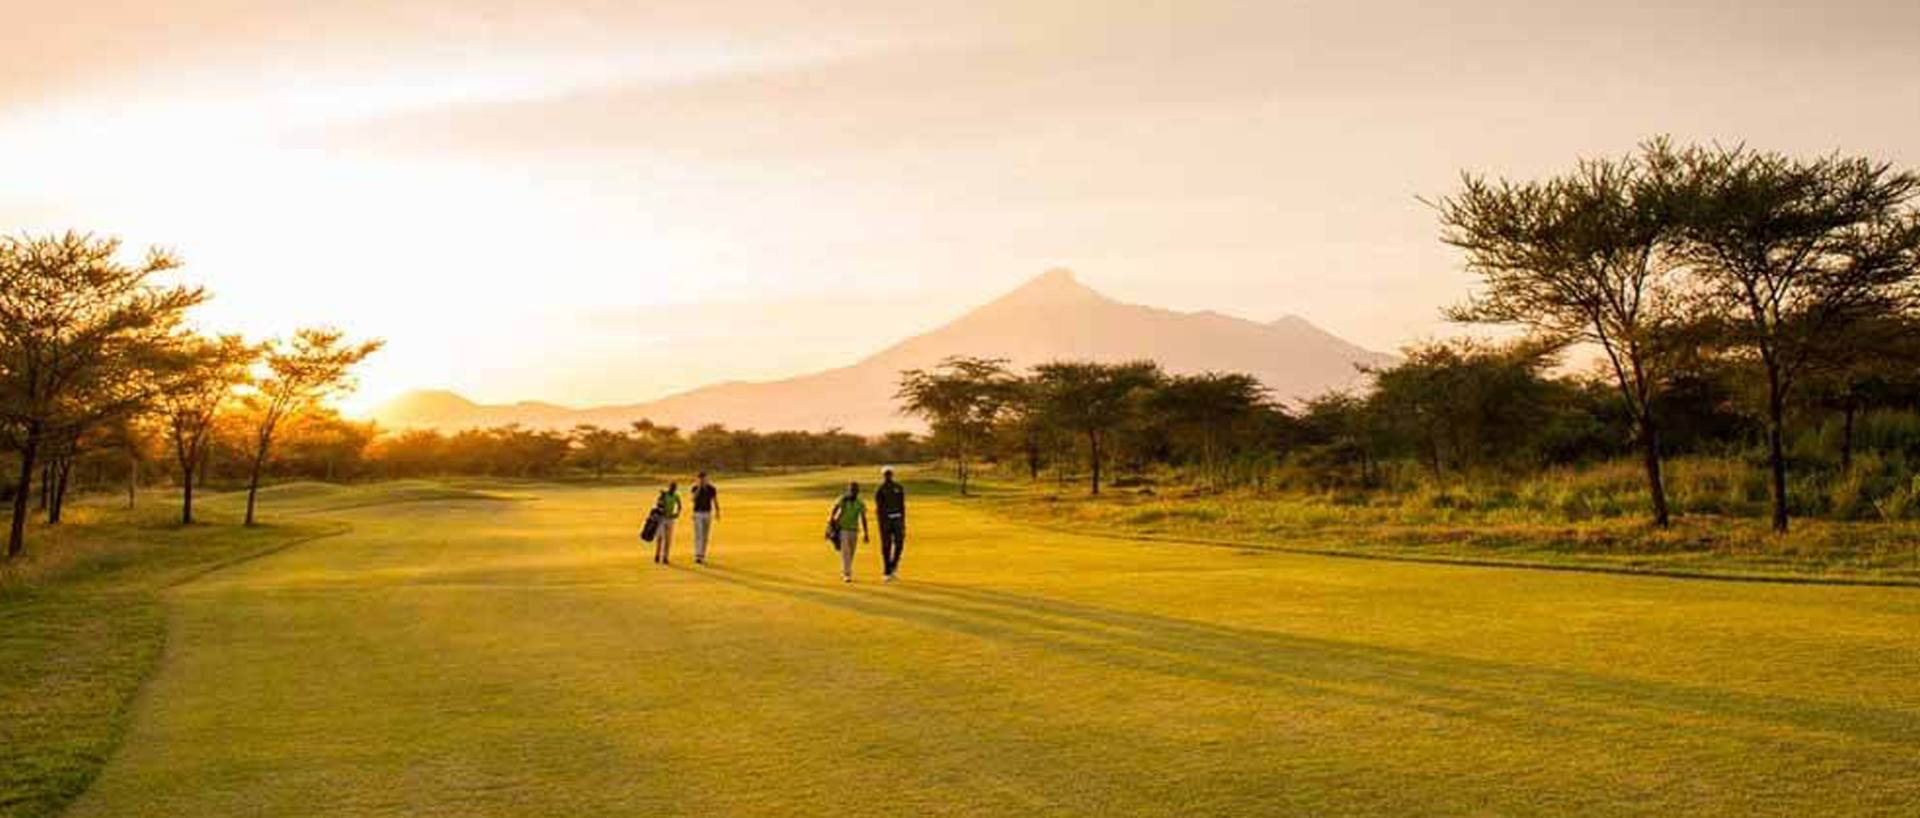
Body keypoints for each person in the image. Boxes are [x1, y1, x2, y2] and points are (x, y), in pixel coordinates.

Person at [830, 481, 869, 583]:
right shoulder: (843, 499)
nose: (853, 492)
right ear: (849, 490)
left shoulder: (860, 503)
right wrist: (832, 522)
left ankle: (845, 570)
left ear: (858, 491)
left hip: (854, 530)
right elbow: (835, 509)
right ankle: (847, 574)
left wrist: (866, 533)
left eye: (855, 490)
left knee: (851, 553)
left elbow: (863, 518)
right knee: (846, 552)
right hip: (843, 529)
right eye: (852, 490)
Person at [875, 468, 907, 582]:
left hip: (898, 519)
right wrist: (881, 523)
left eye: (889, 474)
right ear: (883, 476)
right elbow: (879, 509)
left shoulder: (898, 488)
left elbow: (902, 506)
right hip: (886, 521)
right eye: (885, 474)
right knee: (886, 546)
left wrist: (903, 521)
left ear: (892, 475)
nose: (887, 476)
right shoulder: (880, 490)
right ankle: (887, 571)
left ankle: (893, 565)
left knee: (900, 543)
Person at [690, 472, 720, 565]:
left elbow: (715, 501)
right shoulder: (695, 488)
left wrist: (717, 512)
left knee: (705, 535)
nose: (703, 481)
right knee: (698, 534)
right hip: (697, 513)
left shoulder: (712, 489)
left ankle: (702, 555)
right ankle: (697, 555)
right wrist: (699, 487)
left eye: (705, 479)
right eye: (701, 479)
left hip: (707, 513)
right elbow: (693, 499)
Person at [652, 481, 682, 565]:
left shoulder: (676, 496)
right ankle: (657, 555)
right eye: (671, 487)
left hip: (670, 519)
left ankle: (665, 557)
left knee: (668, 539)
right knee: (660, 538)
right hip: (662, 518)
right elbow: (658, 505)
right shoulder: (664, 495)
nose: (673, 489)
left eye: (674, 487)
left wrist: (677, 514)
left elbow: (679, 506)